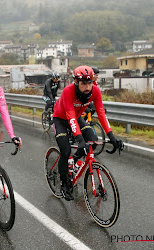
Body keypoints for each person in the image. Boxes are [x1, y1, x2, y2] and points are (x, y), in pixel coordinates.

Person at [52, 65, 123, 201]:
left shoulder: (95, 91)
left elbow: (101, 114)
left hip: (77, 117)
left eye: (89, 83)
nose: (87, 87)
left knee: (93, 140)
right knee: (65, 150)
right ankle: (64, 182)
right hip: (61, 118)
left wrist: (112, 136)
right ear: (76, 82)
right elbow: (70, 115)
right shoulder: (68, 91)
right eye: (84, 83)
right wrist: (79, 139)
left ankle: (76, 159)